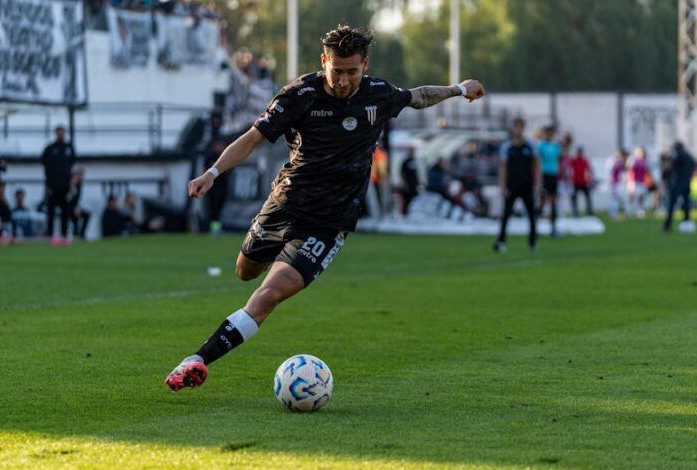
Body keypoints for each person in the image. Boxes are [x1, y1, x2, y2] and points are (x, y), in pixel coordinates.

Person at [164, 24, 486, 392]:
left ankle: (197, 360)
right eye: (338, 71)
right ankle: (271, 259)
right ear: (324, 62)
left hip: (329, 222)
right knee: (245, 271)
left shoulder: (378, 94)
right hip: (284, 204)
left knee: (267, 296)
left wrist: (459, 89)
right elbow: (252, 138)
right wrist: (212, 172)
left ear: (365, 64)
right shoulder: (299, 95)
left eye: (353, 71)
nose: (345, 80)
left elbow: (418, 96)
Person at [493, 118, 539, 254]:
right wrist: (502, 186)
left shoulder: (530, 146)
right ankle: (501, 242)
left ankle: (532, 242)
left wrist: (537, 184)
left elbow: (536, 166)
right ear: (513, 129)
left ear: (523, 129)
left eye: (520, 127)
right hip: (512, 186)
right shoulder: (507, 147)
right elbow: (503, 168)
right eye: (516, 127)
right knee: (506, 214)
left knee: (531, 215)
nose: (518, 130)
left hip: (527, 185)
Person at [41, 125, 76, 245]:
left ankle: (64, 236)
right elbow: (44, 163)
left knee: (65, 212)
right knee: (50, 211)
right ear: (56, 133)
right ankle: (50, 235)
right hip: (52, 186)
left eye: (63, 132)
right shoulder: (50, 148)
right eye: (59, 132)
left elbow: (72, 164)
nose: (61, 134)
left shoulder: (69, 148)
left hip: (64, 186)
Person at [663, 142, 696, 232]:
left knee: (672, 205)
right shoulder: (689, 157)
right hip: (686, 183)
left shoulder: (678, 157)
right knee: (686, 204)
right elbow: (694, 166)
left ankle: (668, 224)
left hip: (678, 183)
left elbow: (669, 168)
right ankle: (686, 222)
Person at [537, 126, 562, 236]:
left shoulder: (556, 146)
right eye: (547, 132)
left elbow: (558, 159)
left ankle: (553, 228)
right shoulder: (541, 145)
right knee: (542, 202)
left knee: (553, 202)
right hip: (545, 175)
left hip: (554, 175)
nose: (549, 135)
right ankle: (535, 228)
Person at [626, 146, 651, 219]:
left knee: (641, 198)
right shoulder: (633, 160)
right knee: (631, 197)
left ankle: (640, 213)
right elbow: (628, 168)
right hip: (633, 182)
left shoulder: (645, 161)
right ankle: (629, 212)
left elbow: (647, 171)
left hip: (641, 182)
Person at [68, 166, 91, 240]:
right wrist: (72, 186)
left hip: (74, 207)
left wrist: (77, 207)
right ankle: (76, 234)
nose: (82, 177)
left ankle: (81, 235)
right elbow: (68, 199)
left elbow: (76, 200)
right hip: (67, 207)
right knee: (74, 215)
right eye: (80, 175)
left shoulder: (79, 185)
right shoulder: (71, 184)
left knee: (87, 215)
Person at [571, 146, 593, 216]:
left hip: (583, 181)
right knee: (574, 197)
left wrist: (589, 178)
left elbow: (589, 169)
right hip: (576, 181)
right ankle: (575, 212)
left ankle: (589, 211)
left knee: (588, 197)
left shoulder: (585, 160)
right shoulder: (574, 160)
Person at [606, 149, 628, 219]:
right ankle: (613, 213)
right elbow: (610, 170)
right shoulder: (614, 160)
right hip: (613, 182)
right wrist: (611, 179)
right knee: (614, 198)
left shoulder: (616, 160)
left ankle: (612, 212)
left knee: (614, 198)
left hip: (615, 182)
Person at [400, 148, 419, 213]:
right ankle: (404, 212)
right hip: (408, 183)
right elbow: (402, 173)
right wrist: (405, 183)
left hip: (414, 184)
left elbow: (416, 173)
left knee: (414, 199)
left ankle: (411, 212)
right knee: (407, 199)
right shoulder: (406, 162)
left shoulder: (415, 161)